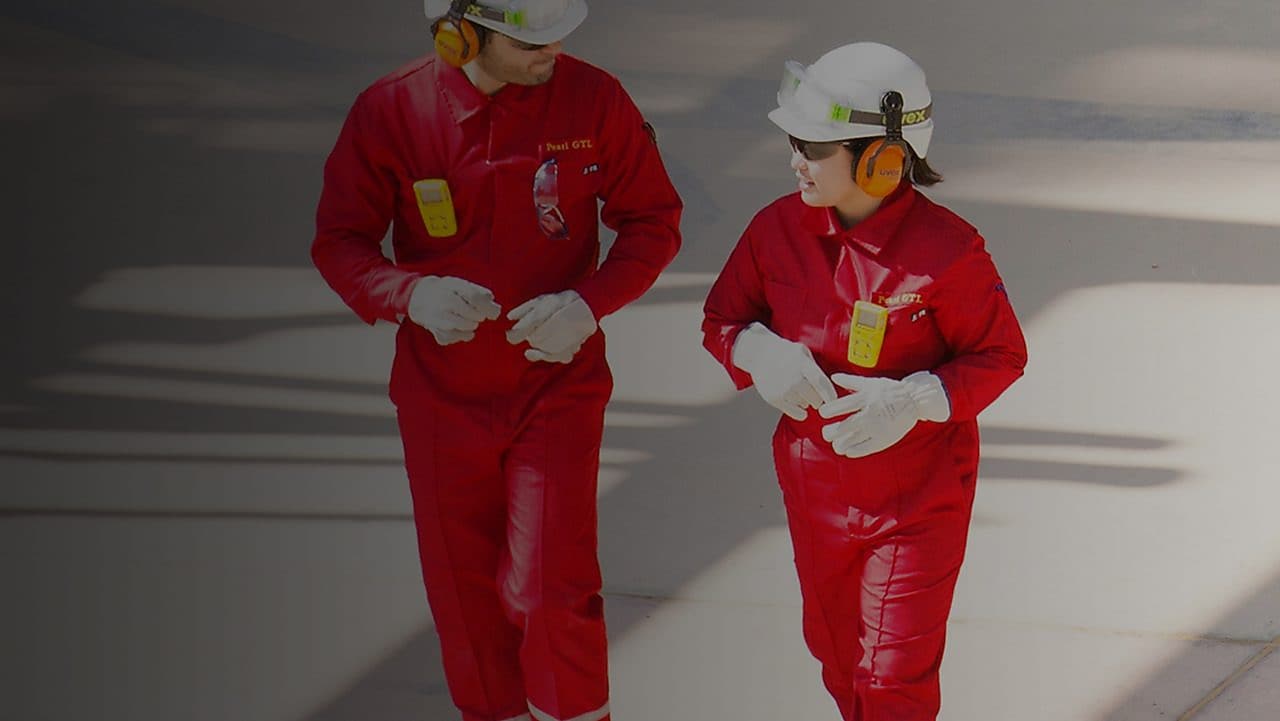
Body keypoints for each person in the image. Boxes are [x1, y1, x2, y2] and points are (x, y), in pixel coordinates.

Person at [311, 1, 683, 719]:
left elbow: (651, 220)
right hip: (439, 394)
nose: (554, 49)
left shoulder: (594, 98)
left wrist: (588, 302)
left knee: (550, 583)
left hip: (556, 384)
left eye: (559, 31)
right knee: (463, 590)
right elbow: (341, 242)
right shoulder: (391, 112)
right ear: (460, 34)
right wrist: (409, 294)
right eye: (531, 38)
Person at [702, 42, 1027, 721]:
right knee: (838, 658)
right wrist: (757, 352)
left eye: (815, 148)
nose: (796, 160)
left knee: (889, 680)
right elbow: (723, 318)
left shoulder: (950, 251)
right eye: (795, 142)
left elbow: (1000, 353)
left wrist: (914, 400)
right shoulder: (775, 230)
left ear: (883, 158)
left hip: (917, 501)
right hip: (814, 488)